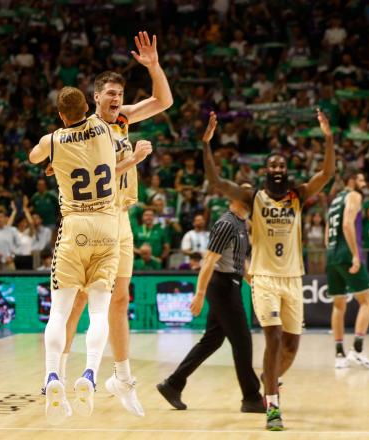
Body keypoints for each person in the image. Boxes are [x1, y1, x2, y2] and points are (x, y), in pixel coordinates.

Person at [62, 31, 173, 418]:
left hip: (121, 218)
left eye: (120, 94)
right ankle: (55, 374)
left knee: (120, 300)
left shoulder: (124, 120)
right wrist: (138, 159)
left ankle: (121, 378)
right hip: (93, 218)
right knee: (78, 299)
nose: (116, 100)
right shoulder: (88, 130)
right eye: (110, 94)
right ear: (96, 97)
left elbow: (163, 101)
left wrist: (154, 66)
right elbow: (101, 172)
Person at [202, 109, 335, 431]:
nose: (277, 169)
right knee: (273, 338)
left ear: (286, 170)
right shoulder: (253, 197)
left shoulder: (298, 195)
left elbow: (327, 174)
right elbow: (216, 182)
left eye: (281, 165)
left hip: (293, 278)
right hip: (263, 278)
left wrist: (329, 139)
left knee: (291, 347)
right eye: (272, 165)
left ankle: (269, 379)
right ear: (266, 170)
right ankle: (273, 406)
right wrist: (206, 144)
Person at [29, 86, 121, 425]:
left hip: (75, 225)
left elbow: (33, 158)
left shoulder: (52, 139)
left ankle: (53, 377)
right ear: (89, 106)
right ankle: (90, 375)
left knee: (60, 311)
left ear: (59, 115)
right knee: (98, 312)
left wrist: (55, 159)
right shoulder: (105, 126)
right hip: (107, 226)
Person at [157, 183, 264, 414]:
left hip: (230, 283)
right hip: (222, 286)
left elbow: (239, 264)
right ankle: (252, 398)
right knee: (243, 341)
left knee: (212, 341)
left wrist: (255, 284)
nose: (249, 197)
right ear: (234, 198)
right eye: (244, 193)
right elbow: (209, 261)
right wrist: (199, 294)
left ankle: (173, 384)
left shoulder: (242, 224)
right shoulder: (226, 223)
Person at [325, 172, 369, 369]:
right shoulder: (353, 195)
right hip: (346, 253)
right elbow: (347, 224)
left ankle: (339, 355)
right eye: (362, 180)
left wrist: (333, 253)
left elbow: (327, 232)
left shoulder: (334, 200)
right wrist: (355, 254)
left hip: (331, 255)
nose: (364, 184)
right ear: (352, 181)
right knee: (367, 301)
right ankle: (358, 349)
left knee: (338, 305)